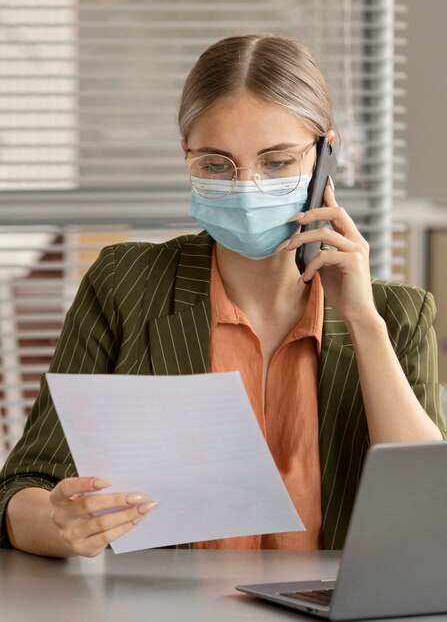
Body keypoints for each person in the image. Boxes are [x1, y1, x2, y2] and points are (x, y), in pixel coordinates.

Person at [0, 34, 445, 559]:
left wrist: (362, 320)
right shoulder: (127, 283)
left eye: (277, 162)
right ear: (187, 154)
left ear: (326, 153)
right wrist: (61, 523)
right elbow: (23, 488)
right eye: (216, 164)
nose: (247, 186)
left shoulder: (396, 314)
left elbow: (430, 515)